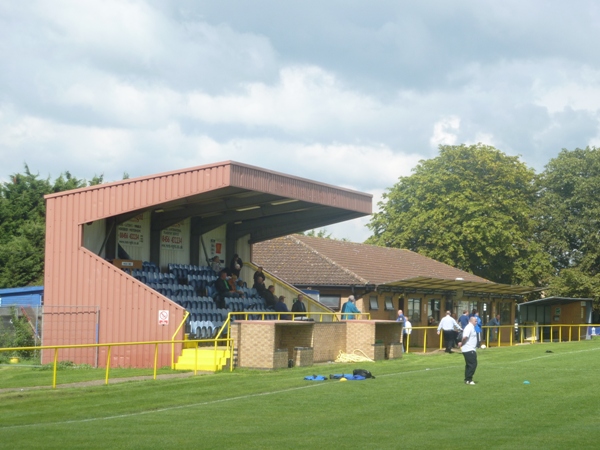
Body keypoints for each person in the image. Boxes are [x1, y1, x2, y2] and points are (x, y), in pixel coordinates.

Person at [458, 316, 479, 385]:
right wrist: (461, 343)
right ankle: (469, 379)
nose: (476, 322)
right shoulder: (469, 327)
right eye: (475, 321)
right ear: (471, 321)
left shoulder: (472, 327)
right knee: (473, 364)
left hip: (471, 349)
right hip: (469, 349)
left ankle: (467, 379)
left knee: (469, 365)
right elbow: (465, 337)